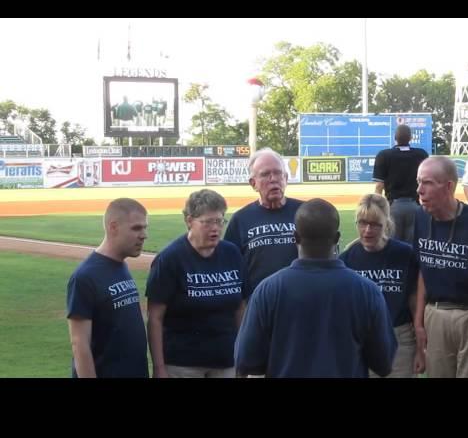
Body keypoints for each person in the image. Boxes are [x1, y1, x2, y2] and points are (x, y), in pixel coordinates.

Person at [234, 198, 397, 378]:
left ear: (295, 237)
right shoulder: (367, 291)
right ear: (336, 238)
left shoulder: (268, 290)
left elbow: (245, 361)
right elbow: (384, 363)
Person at [146, 189, 247, 378]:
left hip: (226, 361)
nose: (215, 228)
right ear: (189, 221)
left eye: (219, 221)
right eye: (208, 222)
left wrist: (243, 354)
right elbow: (155, 318)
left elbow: (240, 307)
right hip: (182, 365)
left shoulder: (232, 254)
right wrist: (159, 368)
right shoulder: (170, 259)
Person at [413, 157, 468, 378]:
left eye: (427, 183)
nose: (420, 190)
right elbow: (421, 272)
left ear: (448, 186)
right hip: (435, 312)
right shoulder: (420, 217)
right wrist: (419, 322)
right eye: (419, 182)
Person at [66, 198, 149, 378]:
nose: (144, 235)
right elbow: (79, 344)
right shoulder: (85, 277)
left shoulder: (121, 266)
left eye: (144, 228)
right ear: (113, 227)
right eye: (136, 228)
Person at [339, 194, 418, 378]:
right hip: (361, 340)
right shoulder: (347, 259)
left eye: (375, 224)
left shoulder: (404, 254)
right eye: (362, 222)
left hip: (400, 339)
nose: (367, 230)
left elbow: (413, 298)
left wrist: (421, 341)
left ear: (386, 223)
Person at [224, 148, 303, 295]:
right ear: (253, 183)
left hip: (301, 300)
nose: (273, 179)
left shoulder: (305, 212)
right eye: (265, 174)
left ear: (286, 178)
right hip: (258, 305)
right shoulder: (240, 219)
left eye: (278, 173)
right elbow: (230, 270)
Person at [373, 124, 429, 244]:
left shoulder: (384, 155)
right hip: (416, 206)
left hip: (393, 206)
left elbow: (379, 186)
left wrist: (378, 208)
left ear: (395, 137)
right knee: (414, 246)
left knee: (393, 245)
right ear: (411, 138)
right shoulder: (421, 154)